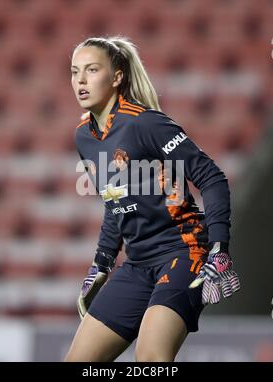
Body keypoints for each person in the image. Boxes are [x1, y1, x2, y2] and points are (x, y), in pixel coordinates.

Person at [64, 36, 240, 362]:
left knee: (150, 361)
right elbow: (114, 200)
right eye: (75, 72)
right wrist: (101, 262)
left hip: (185, 252)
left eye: (92, 70)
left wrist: (219, 248)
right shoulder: (84, 136)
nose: (81, 81)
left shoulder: (146, 123)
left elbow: (211, 177)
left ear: (117, 77)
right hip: (137, 264)